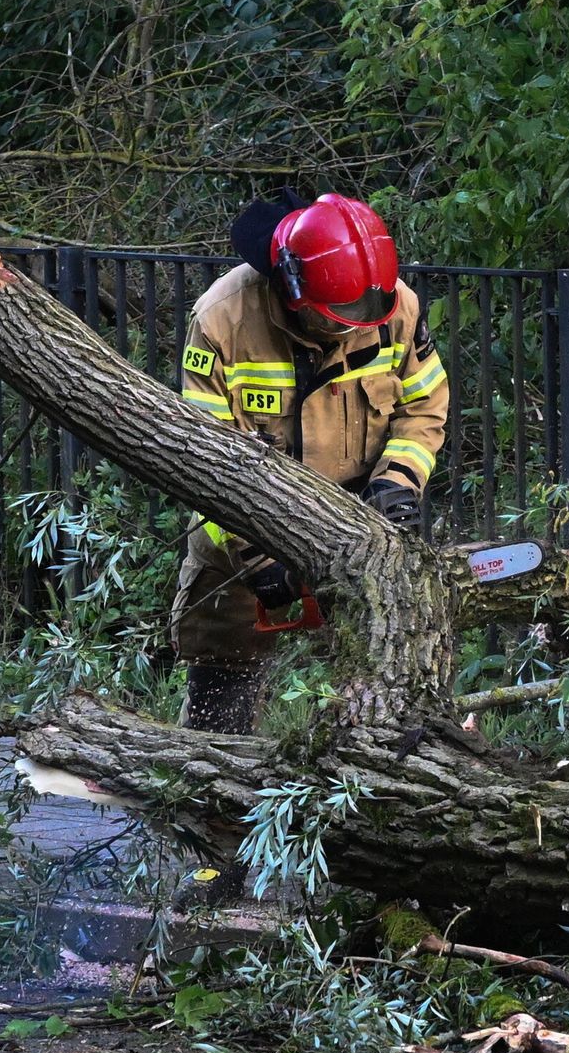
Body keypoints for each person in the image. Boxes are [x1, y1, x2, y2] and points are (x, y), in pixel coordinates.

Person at [170, 190, 450, 735]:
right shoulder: (223, 320)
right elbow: (201, 459)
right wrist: (255, 551)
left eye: (360, 315)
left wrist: (398, 483)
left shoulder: (394, 309)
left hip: (356, 523)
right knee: (222, 684)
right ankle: (207, 793)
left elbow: (424, 406)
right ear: (293, 287)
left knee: (377, 686)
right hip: (242, 527)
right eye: (337, 316)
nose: (350, 327)